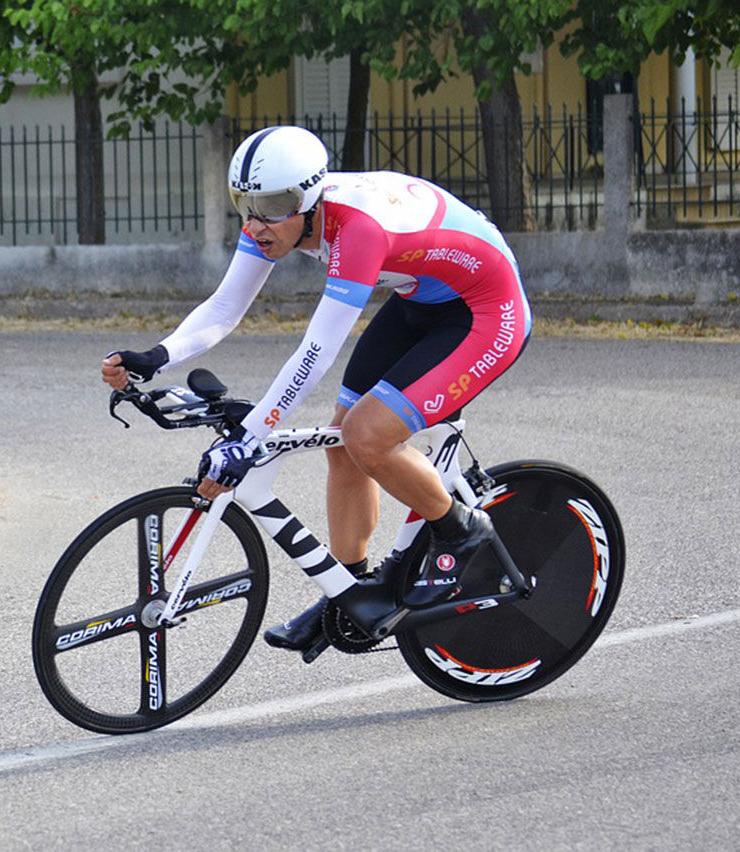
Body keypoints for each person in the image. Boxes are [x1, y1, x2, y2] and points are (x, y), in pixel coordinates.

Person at [101, 125, 531, 654]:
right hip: (421, 299)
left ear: (308, 198)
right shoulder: (272, 220)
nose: (257, 222)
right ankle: (348, 593)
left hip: (488, 310)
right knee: (342, 446)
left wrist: (253, 435)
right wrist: (157, 356)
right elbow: (224, 307)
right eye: (245, 204)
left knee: (367, 435)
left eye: (274, 205)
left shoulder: (357, 230)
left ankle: (463, 532)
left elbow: (317, 348)